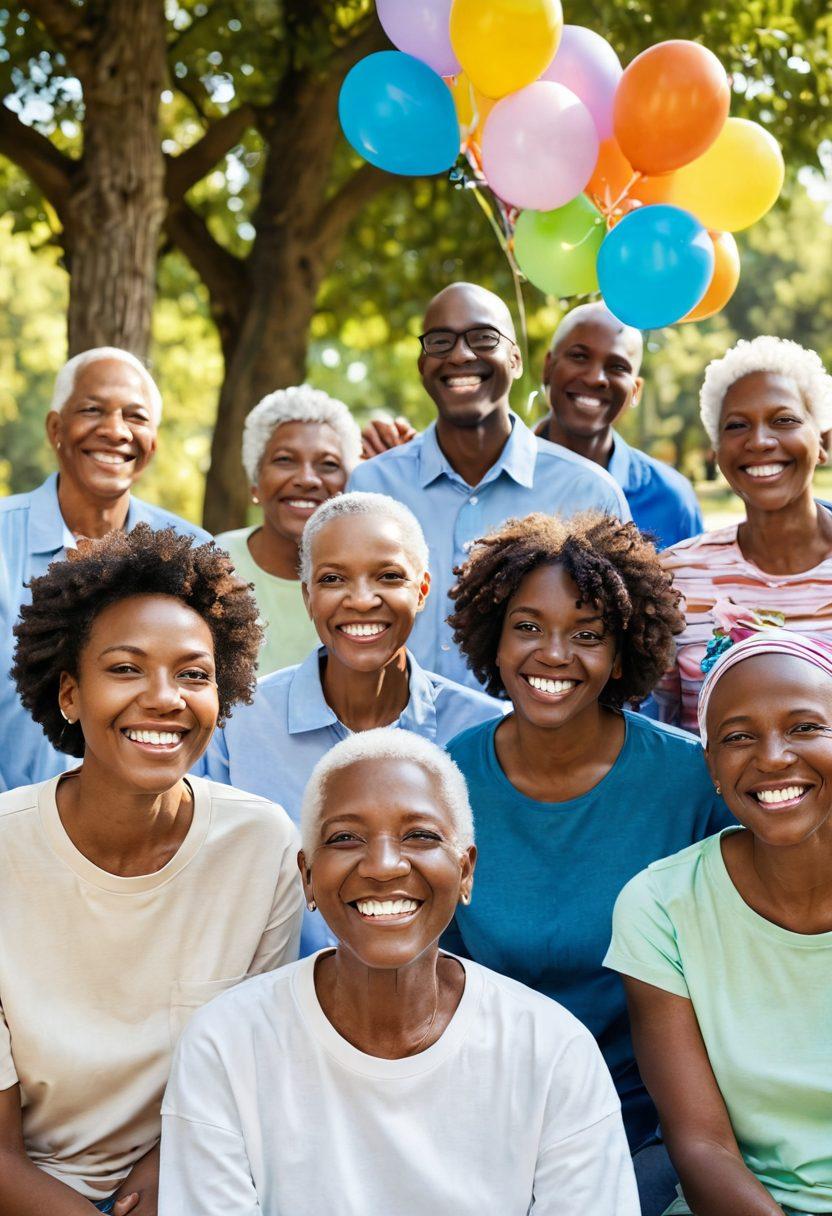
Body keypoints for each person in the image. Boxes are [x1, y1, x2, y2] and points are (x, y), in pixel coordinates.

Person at [160, 728, 640, 1216]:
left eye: (420, 835)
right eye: (346, 837)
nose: (384, 865)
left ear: (465, 871)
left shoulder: (553, 1050)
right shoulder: (225, 1045)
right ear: (307, 876)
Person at [0, 526, 303, 1215]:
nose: (165, 698)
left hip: (199, 1179)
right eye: (126, 669)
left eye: (193, 674)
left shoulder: (261, 846)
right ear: (70, 694)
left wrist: (172, 1165)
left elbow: (243, 1074)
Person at [442, 511, 733, 1214]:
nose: (554, 654)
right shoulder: (445, 782)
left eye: (587, 634)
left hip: (651, 1130)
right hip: (482, 1125)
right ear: (494, 637)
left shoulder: (691, 782)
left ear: (623, 648)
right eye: (527, 626)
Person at [202, 492, 503, 953]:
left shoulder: (483, 730)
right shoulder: (240, 721)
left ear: (421, 590)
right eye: (333, 578)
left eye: (388, 576)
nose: (361, 600)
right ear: (308, 596)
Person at [607, 629, 832, 1216]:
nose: (774, 757)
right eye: (738, 737)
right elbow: (701, 1144)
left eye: (806, 727)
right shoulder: (659, 906)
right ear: (710, 763)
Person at [347, 282, 630, 689]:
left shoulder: (588, 493)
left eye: (482, 338)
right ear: (423, 364)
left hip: (536, 743)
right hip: (400, 740)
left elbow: (612, 641)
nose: (460, 355)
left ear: (515, 359)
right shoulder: (373, 486)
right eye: (440, 342)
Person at [0, 348, 210, 792]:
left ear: (153, 443)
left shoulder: (192, 553)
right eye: (93, 410)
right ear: (56, 428)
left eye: (135, 417)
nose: (115, 431)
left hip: (150, 836)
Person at [656, 336, 832, 733]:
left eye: (784, 420)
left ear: (822, 441)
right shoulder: (674, 577)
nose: (760, 441)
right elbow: (660, 723)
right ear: (717, 452)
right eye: (737, 425)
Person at [214, 386, 363, 675]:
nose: (307, 479)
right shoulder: (215, 560)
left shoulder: (370, 577)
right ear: (255, 483)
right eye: (285, 460)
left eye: (328, 464)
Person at [535, 302, 703, 548]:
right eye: (579, 356)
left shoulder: (672, 498)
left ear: (636, 390)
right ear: (548, 367)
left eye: (618, 367)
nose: (595, 379)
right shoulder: (497, 478)